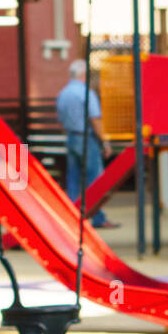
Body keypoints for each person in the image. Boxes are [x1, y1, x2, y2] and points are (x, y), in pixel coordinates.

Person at [56, 60, 119, 229]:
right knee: (94, 179)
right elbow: (95, 118)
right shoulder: (86, 93)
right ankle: (98, 216)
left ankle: (72, 217)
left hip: (71, 138)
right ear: (83, 75)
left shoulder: (64, 93)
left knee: (74, 178)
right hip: (86, 139)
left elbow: (61, 119)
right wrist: (105, 141)